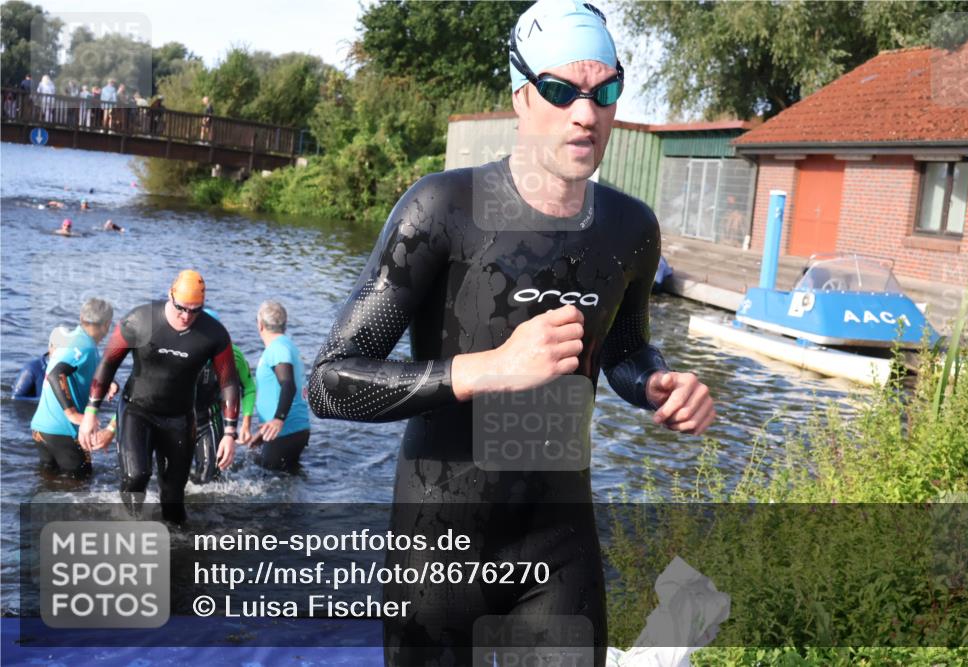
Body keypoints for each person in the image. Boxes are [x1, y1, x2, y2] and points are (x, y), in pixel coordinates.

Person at [307, 1, 716, 664]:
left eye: (603, 91)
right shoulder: (443, 208)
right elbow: (329, 383)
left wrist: (655, 383)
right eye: (561, 91)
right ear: (522, 96)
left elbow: (623, 349)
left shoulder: (629, 228)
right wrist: (487, 368)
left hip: (558, 547)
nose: (585, 113)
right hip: (438, 545)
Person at [79, 270, 240, 524]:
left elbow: (229, 381)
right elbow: (108, 363)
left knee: (173, 496)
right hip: (137, 410)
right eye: (181, 308)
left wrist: (230, 434)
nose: (186, 316)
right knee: (136, 476)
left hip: (180, 418)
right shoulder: (140, 320)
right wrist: (90, 413)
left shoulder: (214, 334)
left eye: (195, 310)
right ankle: (129, 528)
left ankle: (177, 542)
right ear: (170, 295)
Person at [30, 300, 115, 477]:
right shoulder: (86, 346)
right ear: (107, 325)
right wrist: (72, 414)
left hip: (41, 429)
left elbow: (81, 370)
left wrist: (110, 383)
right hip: (64, 431)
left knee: (48, 482)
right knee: (80, 485)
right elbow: (56, 374)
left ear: (81, 317)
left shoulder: (74, 339)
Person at [190, 308, 256, 484]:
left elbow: (249, 387)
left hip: (209, 418)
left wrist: (246, 423)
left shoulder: (233, 354)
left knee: (209, 477)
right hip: (180, 417)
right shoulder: (182, 349)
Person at [252, 301, 310, 471]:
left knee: (269, 481)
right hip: (289, 430)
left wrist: (278, 419)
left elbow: (288, 385)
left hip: (285, 431)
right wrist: (265, 430)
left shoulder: (278, 349)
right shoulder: (286, 345)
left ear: (260, 324)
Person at [11, 329, 60, 400]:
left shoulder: (71, 367)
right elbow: (15, 398)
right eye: (58, 347)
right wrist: (44, 400)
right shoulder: (31, 369)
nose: (61, 352)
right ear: (50, 347)